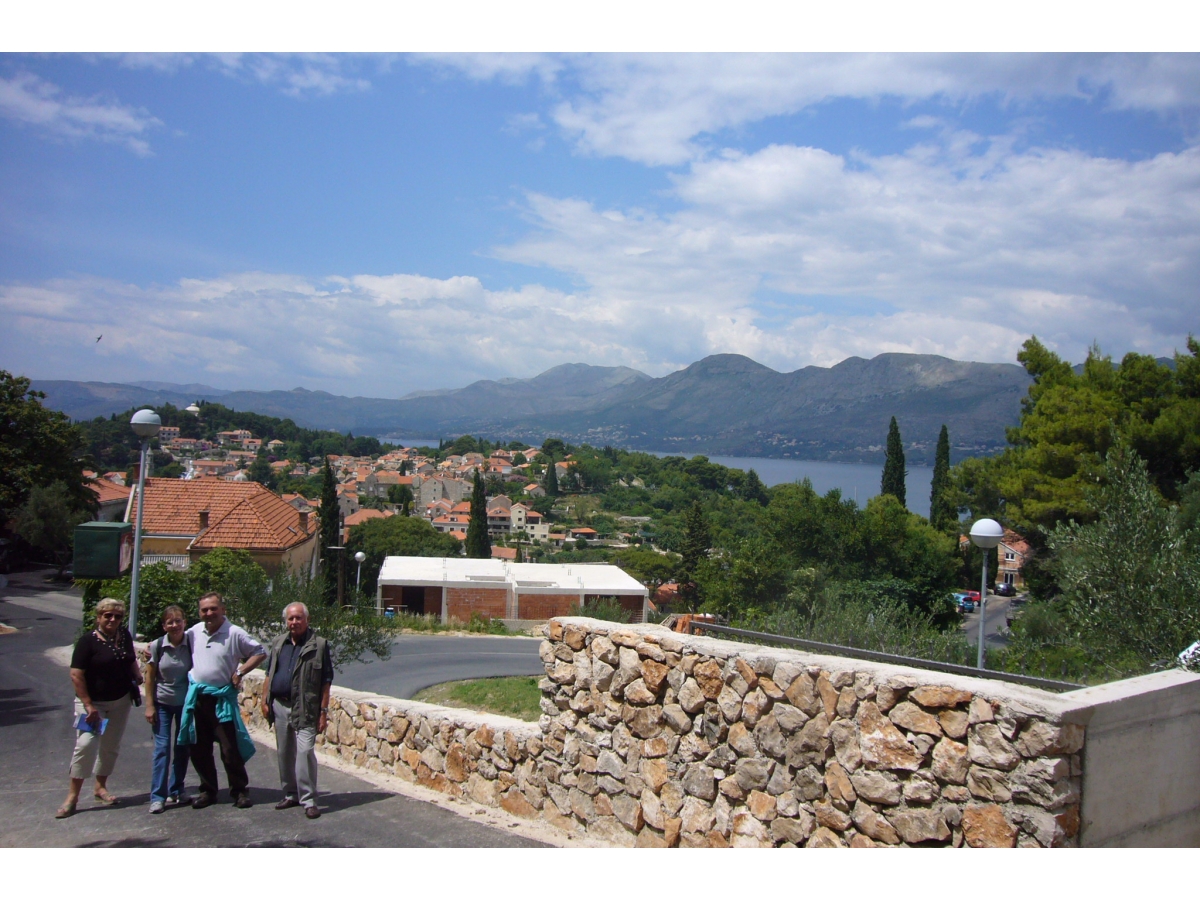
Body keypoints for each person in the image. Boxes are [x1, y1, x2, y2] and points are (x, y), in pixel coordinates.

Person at [56, 597, 142, 818]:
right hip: (92, 705)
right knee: (86, 745)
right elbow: (76, 674)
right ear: (98, 617)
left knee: (110, 746)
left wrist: (137, 673)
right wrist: (88, 705)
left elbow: (130, 657)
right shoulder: (87, 642)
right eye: (108, 615)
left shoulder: (124, 636)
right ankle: (72, 797)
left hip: (120, 701)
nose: (113, 619)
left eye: (117, 616)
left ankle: (100, 787)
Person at [178, 592, 265, 809]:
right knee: (199, 749)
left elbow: (260, 652)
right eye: (204, 610)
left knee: (229, 749)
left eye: (213, 608)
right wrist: (153, 648)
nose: (209, 613)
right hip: (198, 699)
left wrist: (241, 671)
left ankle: (239, 791)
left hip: (221, 701)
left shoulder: (234, 633)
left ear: (223, 610)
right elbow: (174, 639)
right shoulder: (194, 632)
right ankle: (208, 791)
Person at [261, 602, 333, 820]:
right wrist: (264, 700)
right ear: (286, 621)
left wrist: (323, 711)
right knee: (284, 753)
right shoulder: (278, 643)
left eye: (298, 618)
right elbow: (269, 673)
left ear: (307, 620)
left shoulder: (319, 645)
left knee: (304, 752)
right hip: (280, 706)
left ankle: (308, 800)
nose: (294, 622)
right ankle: (290, 794)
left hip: (306, 708)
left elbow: (326, 681)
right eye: (291, 618)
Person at [144, 605, 193, 813]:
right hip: (162, 704)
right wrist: (149, 706)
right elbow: (150, 677)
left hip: (185, 705)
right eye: (170, 622)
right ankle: (157, 796)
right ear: (164, 626)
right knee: (162, 750)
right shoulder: (157, 646)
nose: (174, 625)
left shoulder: (191, 644)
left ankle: (177, 789)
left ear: (185, 623)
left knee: (182, 748)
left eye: (178, 621)